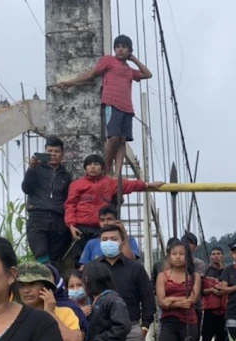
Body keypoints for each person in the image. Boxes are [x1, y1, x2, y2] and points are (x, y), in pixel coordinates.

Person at [57, 35, 152, 177]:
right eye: (118, 46)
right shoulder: (108, 60)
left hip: (127, 108)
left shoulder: (129, 70)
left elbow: (148, 74)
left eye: (124, 47)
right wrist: (71, 82)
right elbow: (92, 73)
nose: (120, 49)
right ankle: (106, 171)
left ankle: (118, 175)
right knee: (113, 138)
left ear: (129, 50)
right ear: (114, 48)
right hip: (111, 105)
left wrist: (133, 59)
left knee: (122, 140)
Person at [64, 154, 161, 257]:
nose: (92, 167)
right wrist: (71, 225)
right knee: (80, 257)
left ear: (102, 168)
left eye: (96, 164)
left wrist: (147, 185)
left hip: (100, 228)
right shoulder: (76, 185)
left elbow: (129, 185)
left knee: (100, 256)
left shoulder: (110, 183)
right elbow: (70, 205)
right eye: (89, 164)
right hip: (80, 227)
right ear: (85, 168)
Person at [21, 136, 73, 268]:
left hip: (58, 220)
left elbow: (68, 200)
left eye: (56, 151)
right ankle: (44, 282)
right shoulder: (36, 169)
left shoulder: (66, 176)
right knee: (42, 255)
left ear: (62, 155)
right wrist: (31, 168)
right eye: (50, 151)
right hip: (38, 217)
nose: (53, 154)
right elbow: (26, 188)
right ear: (45, 152)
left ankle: (53, 286)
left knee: (56, 259)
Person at [201, 247, 227, 341]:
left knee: (221, 338)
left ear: (222, 255)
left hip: (224, 310)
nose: (216, 256)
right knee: (206, 337)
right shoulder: (205, 272)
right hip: (210, 309)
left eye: (218, 253)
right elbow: (199, 291)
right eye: (213, 254)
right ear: (211, 256)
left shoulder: (228, 270)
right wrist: (211, 290)